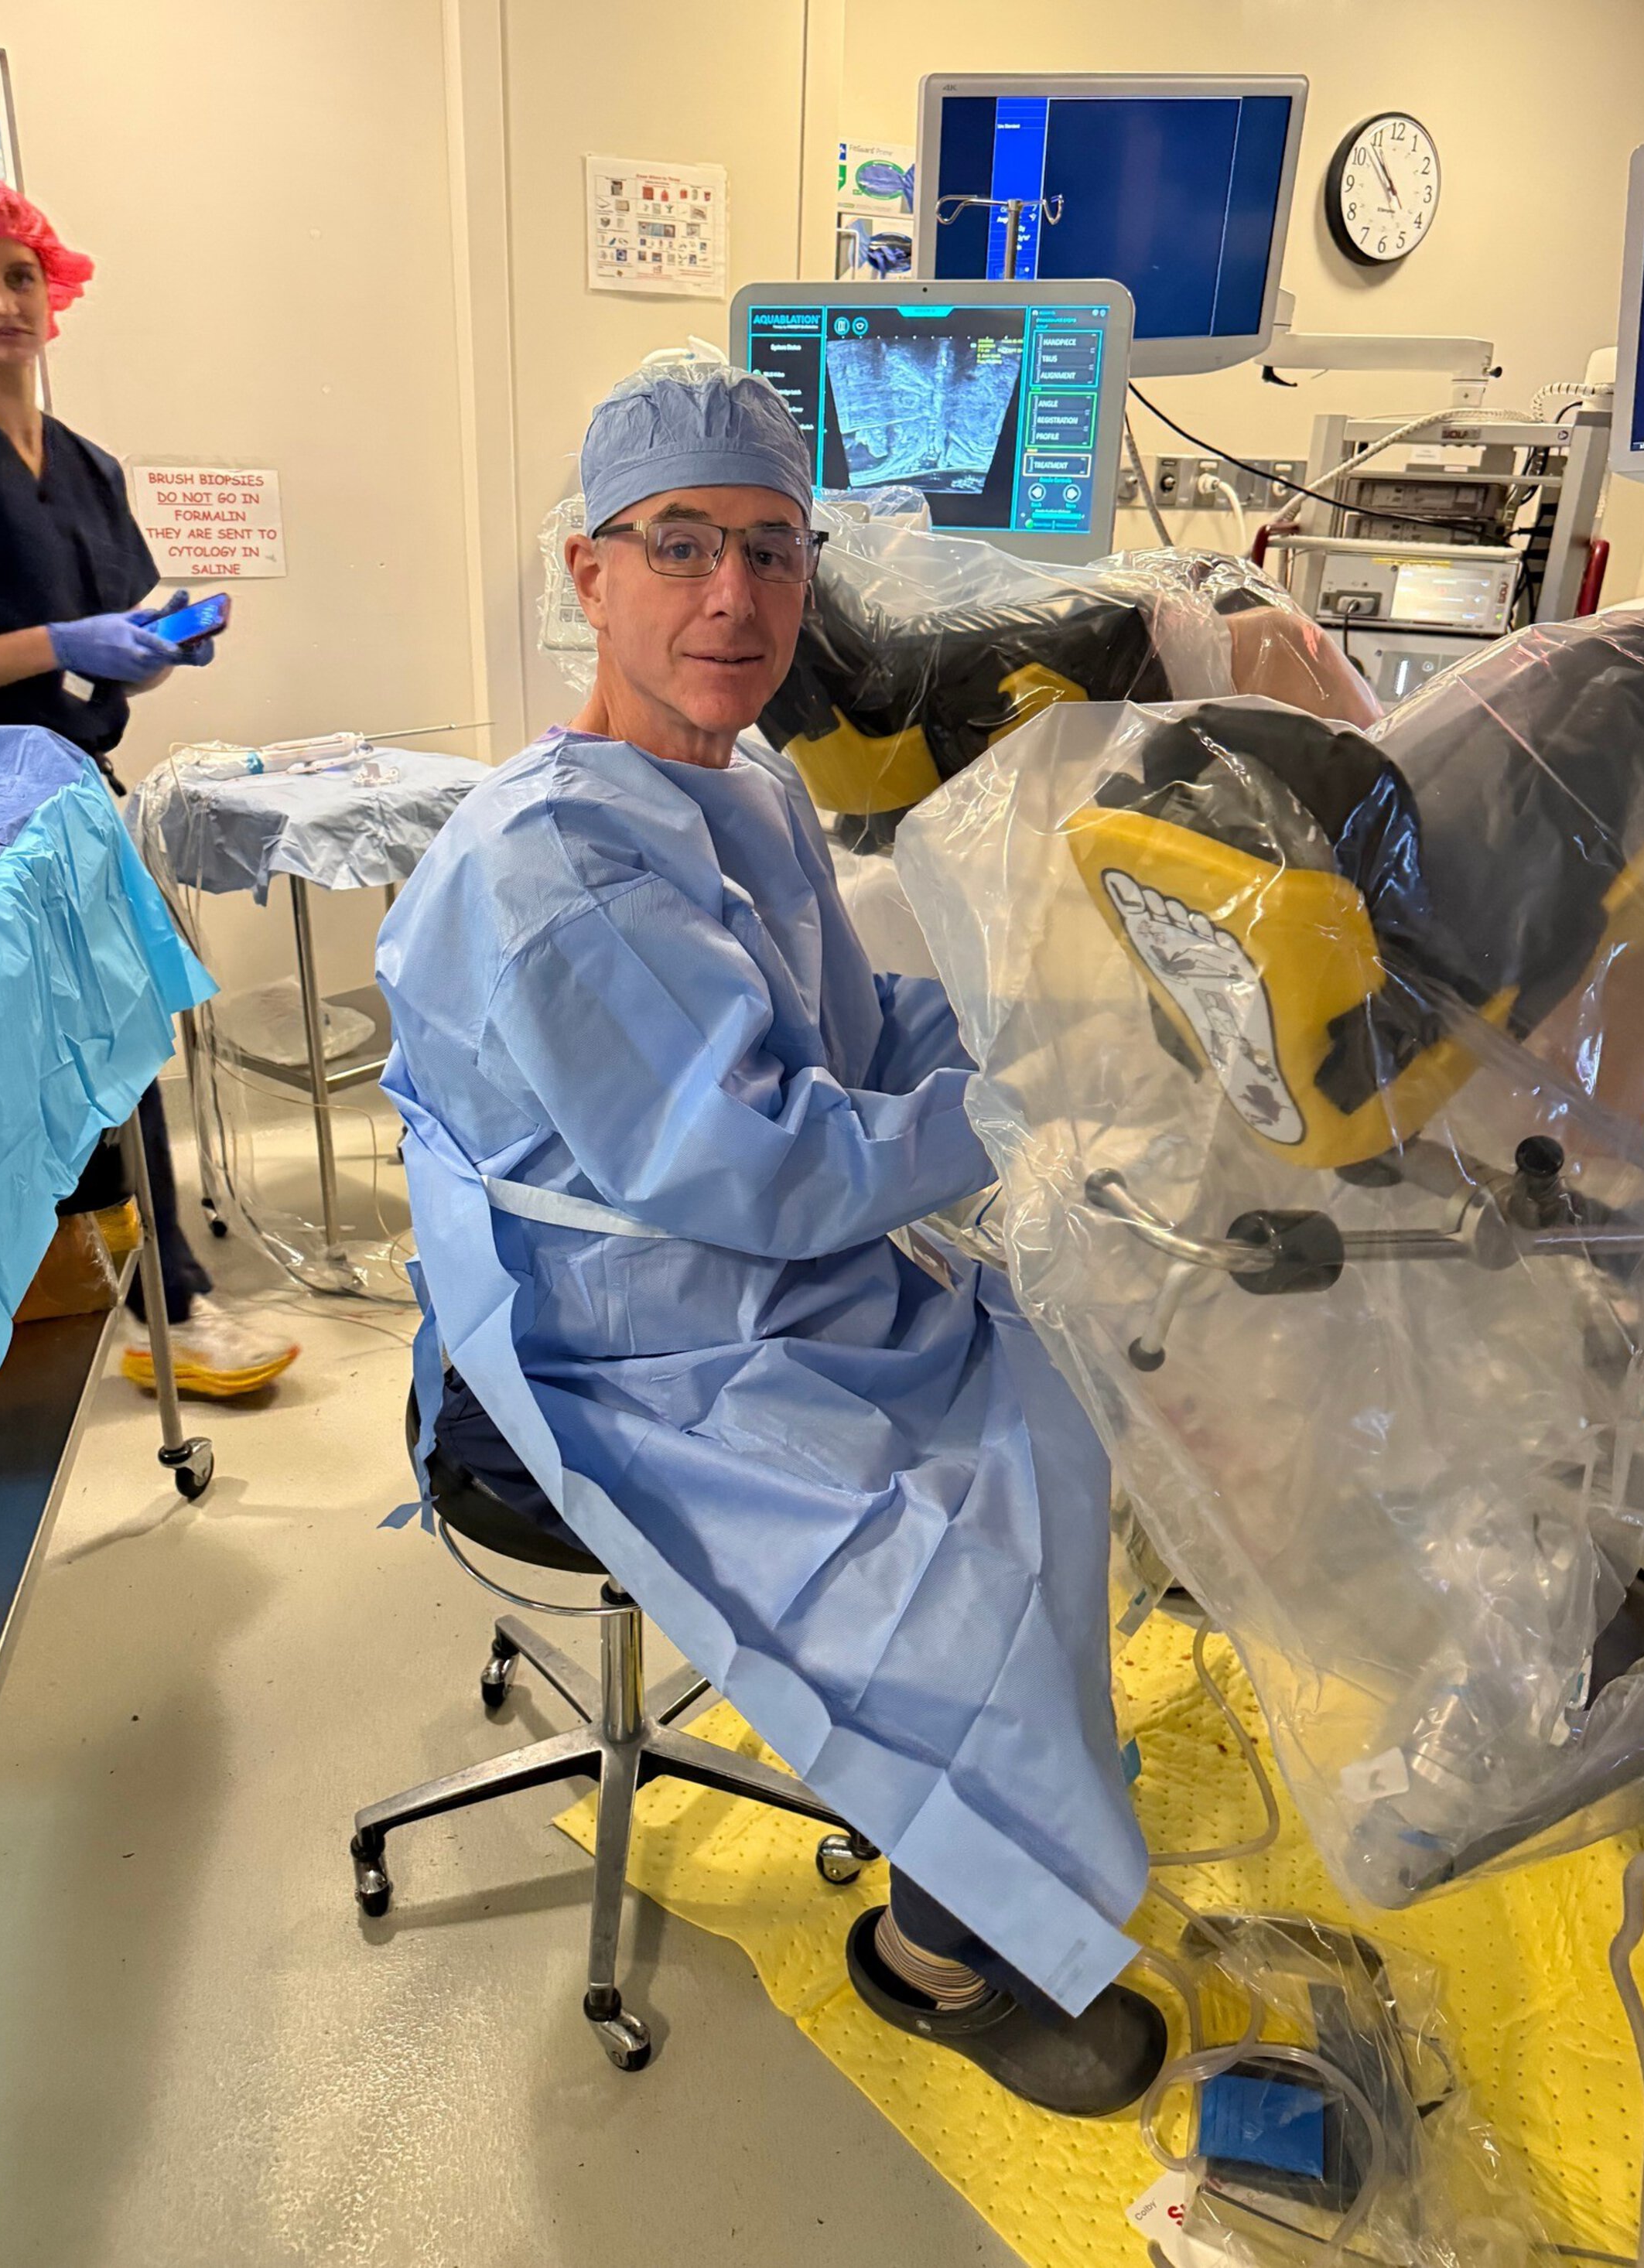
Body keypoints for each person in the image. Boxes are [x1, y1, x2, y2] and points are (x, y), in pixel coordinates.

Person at [378, 362, 1168, 2116]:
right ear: (588, 574)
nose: (729, 595)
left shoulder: (732, 791)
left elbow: (845, 1022)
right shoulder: (559, 860)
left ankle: (989, 1845)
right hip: (628, 1339)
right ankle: (937, 1949)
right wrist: (1036, 1104)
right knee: (961, 1543)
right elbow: (762, 1158)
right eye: (678, 546)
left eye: (768, 549)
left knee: (1073, 1400)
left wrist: (1037, 1019)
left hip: (755, 1279)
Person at [0, 169, 297, 1397]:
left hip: (66, 792)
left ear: (57, 297)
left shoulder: (91, 470)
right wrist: (61, 645)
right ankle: (133, 1295)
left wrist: (155, 647)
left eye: (21, 273)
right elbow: (49, 648)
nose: (1, 298)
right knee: (22, 1046)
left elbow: (107, 650)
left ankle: (158, 1296)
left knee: (118, 1032)